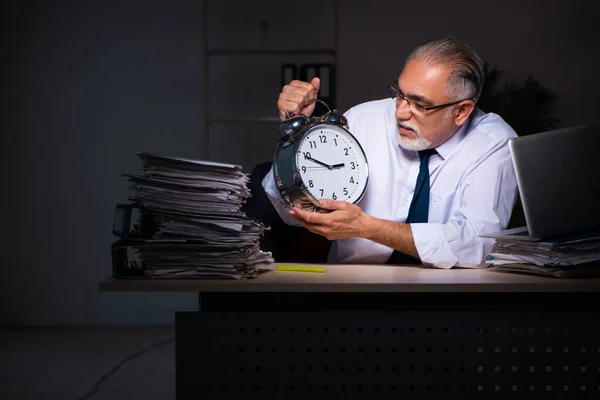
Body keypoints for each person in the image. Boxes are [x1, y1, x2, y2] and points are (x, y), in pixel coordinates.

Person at [262, 36, 519, 268]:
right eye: (400, 94)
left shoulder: (493, 143)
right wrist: (296, 134)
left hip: (449, 298)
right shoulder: (364, 119)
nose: (400, 113)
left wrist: (368, 228)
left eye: (420, 104)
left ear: (462, 111)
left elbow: (477, 245)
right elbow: (290, 212)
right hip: (355, 291)